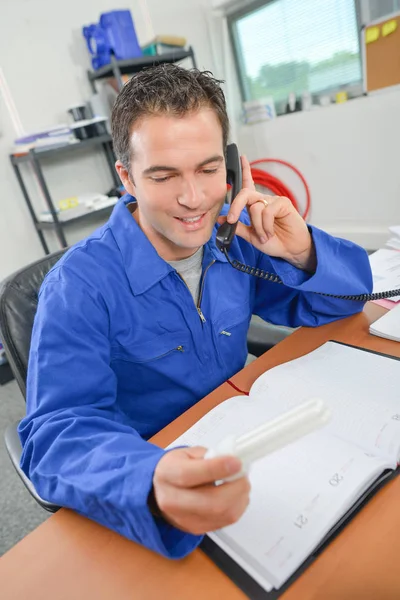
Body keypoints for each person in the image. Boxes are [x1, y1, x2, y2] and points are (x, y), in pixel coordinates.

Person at [19, 64, 372, 559]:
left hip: (249, 440)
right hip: (159, 475)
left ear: (228, 164)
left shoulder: (233, 242)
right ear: (127, 178)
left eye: (208, 170)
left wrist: (302, 252)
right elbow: (54, 435)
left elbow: (341, 304)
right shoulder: (79, 286)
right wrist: (150, 479)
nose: (194, 199)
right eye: (163, 176)